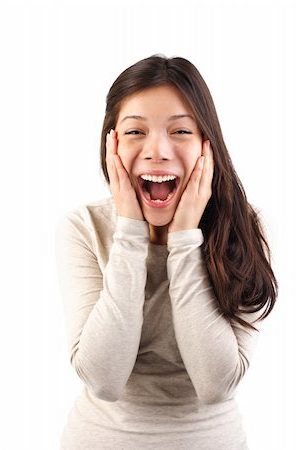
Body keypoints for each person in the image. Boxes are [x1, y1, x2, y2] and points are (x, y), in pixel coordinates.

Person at [55, 54, 278, 450]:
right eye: (135, 132)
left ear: (208, 145)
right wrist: (129, 232)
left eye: (180, 132)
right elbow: (104, 379)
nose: (156, 150)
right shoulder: (83, 227)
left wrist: (184, 239)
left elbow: (215, 385)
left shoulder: (247, 229)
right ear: (112, 145)